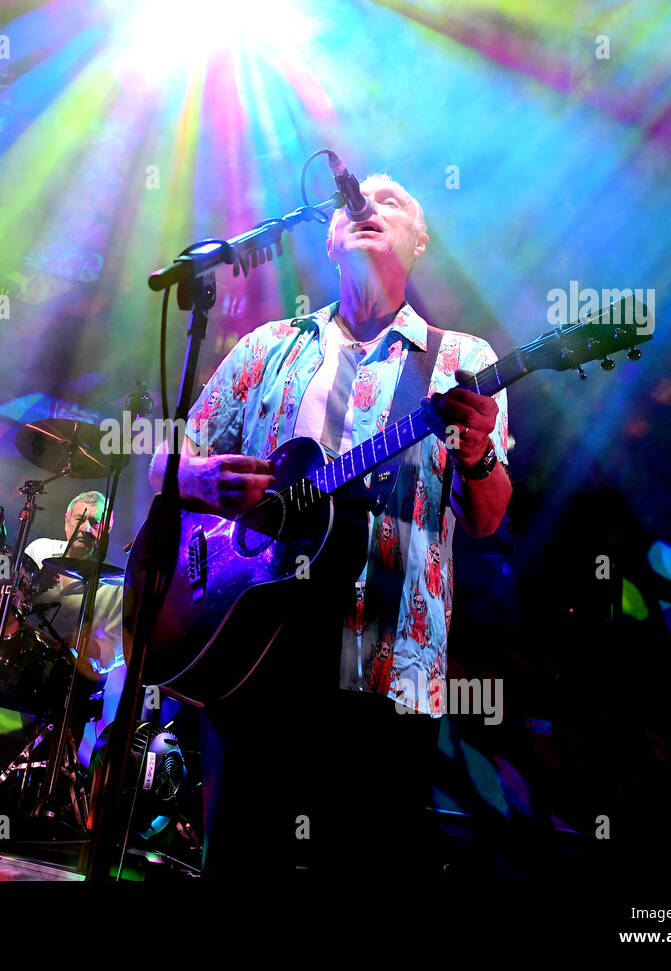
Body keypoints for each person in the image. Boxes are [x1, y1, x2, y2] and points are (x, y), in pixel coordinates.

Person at [148, 173, 512, 877]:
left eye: (393, 201)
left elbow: (491, 516)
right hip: (253, 656)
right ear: (331, 234)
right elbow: (168, 454)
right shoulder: (267, 347)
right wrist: (192, 477)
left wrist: (475, 452)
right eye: (358, 202)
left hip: (386, 672)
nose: (369, 207)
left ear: (420, 241)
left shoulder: (462, 361)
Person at [23, 490, 127, 767]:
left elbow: (108, 658)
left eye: (94, 521)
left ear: (106, 529)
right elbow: (8, 600)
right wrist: (31, 579)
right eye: (80, 517)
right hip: (18, 666)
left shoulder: (116, 587)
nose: (85, 528)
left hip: (66, 688)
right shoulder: (39, 550)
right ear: (67, 518)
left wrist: (79, 644)